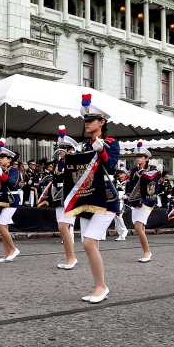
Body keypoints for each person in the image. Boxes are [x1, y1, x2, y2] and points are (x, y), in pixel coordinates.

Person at [60, 94, 120, 303]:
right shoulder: (84, 146)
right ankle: (99, 284)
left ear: (102, 122)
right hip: (87, 199)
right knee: (90, 244)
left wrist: (102, 150)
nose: (87, 124)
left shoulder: (111, 143)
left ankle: (101, 287)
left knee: (88, 243)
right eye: (85, 120)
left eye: (91, 120)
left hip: (106, 199)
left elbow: (111, 166)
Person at [40, 125, 79, 269]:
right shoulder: (59, 163)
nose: (60, 150)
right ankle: (70, 257)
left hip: (69, 196)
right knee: (62, 227)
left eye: (63, 147)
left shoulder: (74, 162)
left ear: (70, 149)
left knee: (65, 226)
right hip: (58, 196)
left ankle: (72, 258)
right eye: (59, 147)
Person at [126, 142, 161, 263]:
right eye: (137, 156)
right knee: (139, 227)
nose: (138, 159)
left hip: (147, 201)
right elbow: (129, 185)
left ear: (146, 158)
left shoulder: (153, 169)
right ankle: (146, 251)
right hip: (135, 201)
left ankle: (147, 252)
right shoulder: (134, 170)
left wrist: (143, 175)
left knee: (138, 226)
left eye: (141, 157)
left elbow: (153, 185)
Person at [112, 168, 130, 241]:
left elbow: (130, 193)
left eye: (122, 174)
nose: (120, 176)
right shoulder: (115, 182)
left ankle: (124, 231)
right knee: (116, 217)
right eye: (119, 174)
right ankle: (121, 234)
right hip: (115, 201)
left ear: (125, 174)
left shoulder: (128, 182)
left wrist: (123, 196)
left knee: (118, 216)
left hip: (122, 202)